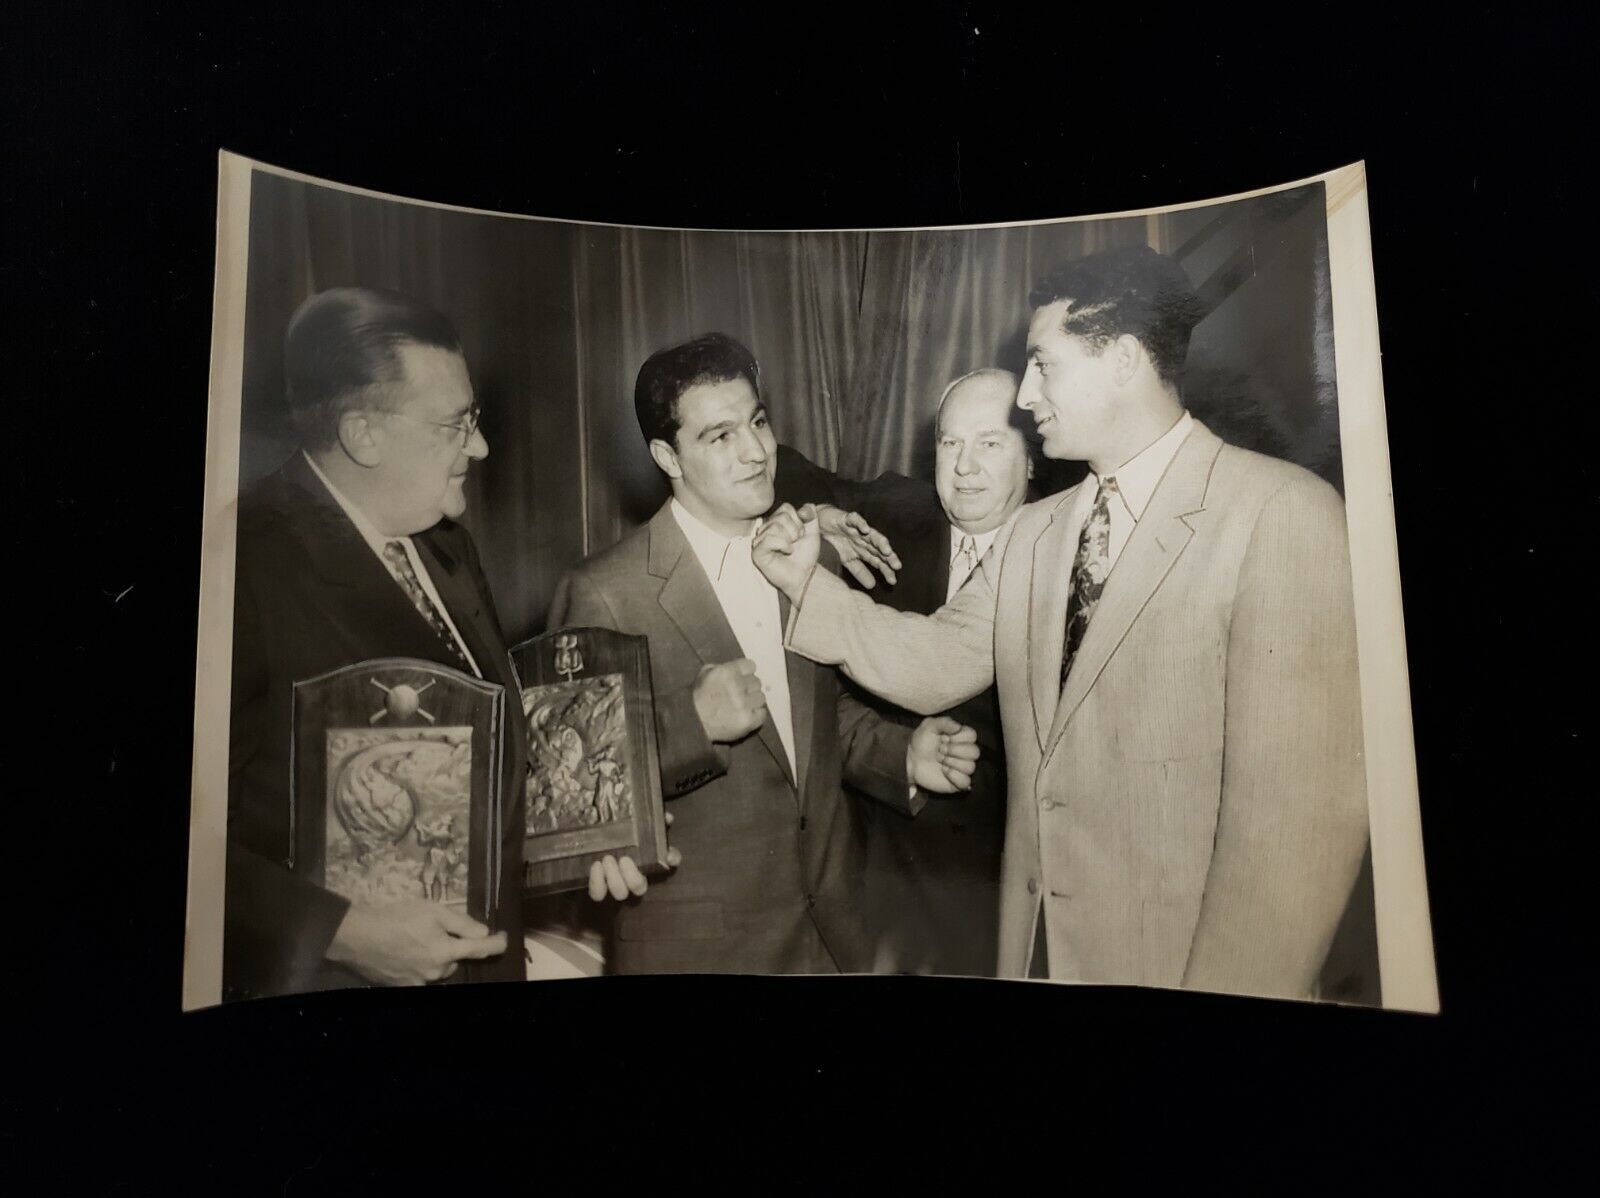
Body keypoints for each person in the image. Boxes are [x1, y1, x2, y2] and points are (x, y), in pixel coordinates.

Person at [753, 245, 1370, 1001]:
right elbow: (933, 661)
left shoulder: (1281, 514)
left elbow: (1296, 840)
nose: (1025, 395)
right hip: (1035, 956)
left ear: (1121, 359)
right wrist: (801, 585)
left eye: (1044, 364)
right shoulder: (1034, 533)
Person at [225, 286, 660, 1000]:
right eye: (455, 425)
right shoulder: (243, 560)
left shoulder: (446, 546)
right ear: (364, 434)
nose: (481, 446)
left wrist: (591, 842)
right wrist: (340, 933)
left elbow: (492, 769)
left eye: (476, 418)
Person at [547, 332, 979, 974]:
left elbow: (820, 722)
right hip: (700, 953)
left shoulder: (809, 556)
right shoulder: (604, 592)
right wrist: (693, 723)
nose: (756, 452)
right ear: (667, 455)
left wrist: (903, 755)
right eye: (720, 437)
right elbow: (565, 794)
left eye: (757, 421)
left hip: (832, 937)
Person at [844, 368, 1032, 977]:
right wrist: (819, 516)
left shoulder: (1068, 549)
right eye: (951, 443)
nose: (966, 466)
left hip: (1011, 880)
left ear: (1033, 461)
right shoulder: (885, 526)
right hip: (887, 866)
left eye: (991, 443)